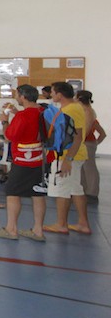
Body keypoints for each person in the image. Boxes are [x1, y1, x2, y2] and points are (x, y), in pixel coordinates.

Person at [0, 85, 47, 240]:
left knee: (13, 192)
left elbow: (9, 137)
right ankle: (38, 231)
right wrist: (16, 112)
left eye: (17, 95)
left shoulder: (22, 116)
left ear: (22, 97)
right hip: (39, 159)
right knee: (38, 193)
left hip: (22, 160)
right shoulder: (42, 111)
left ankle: (11, 229)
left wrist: (5, 122)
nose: (15, 98)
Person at [43, 81, 92, 235]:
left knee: (62, 189)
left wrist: (68, 160)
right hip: (74, 154)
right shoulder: (72, 108)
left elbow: (77, 137)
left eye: (53, 92)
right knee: (75, 188)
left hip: (67, 155)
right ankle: (83, 223)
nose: (51, 95)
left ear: (60, 94)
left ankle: (61, 224)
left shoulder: (70, 110)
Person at [77, 90, 104, 203]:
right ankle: (84, 190)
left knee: (89, 168)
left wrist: (80, 142)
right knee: (83, 168)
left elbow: (86, 130)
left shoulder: (88, 111)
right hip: (84, 142)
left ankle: (92, 193)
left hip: (86, 142)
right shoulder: (84, 110)